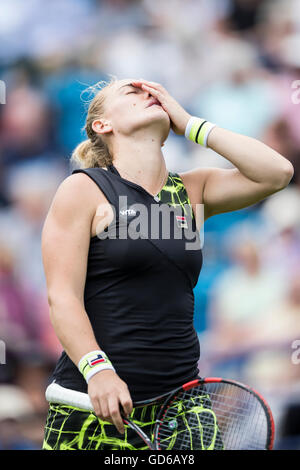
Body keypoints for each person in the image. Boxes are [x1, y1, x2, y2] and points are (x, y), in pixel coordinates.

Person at [41, 76, 293, 450]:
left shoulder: (193, 191)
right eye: (133, 92)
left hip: (183, 405)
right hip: (98, 402)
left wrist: (192, 124)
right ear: (102, 125)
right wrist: (99, 372)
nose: (150, 95)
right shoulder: (84, 189)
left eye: (154, 92)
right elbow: (62, 298)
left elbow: (278, 173)